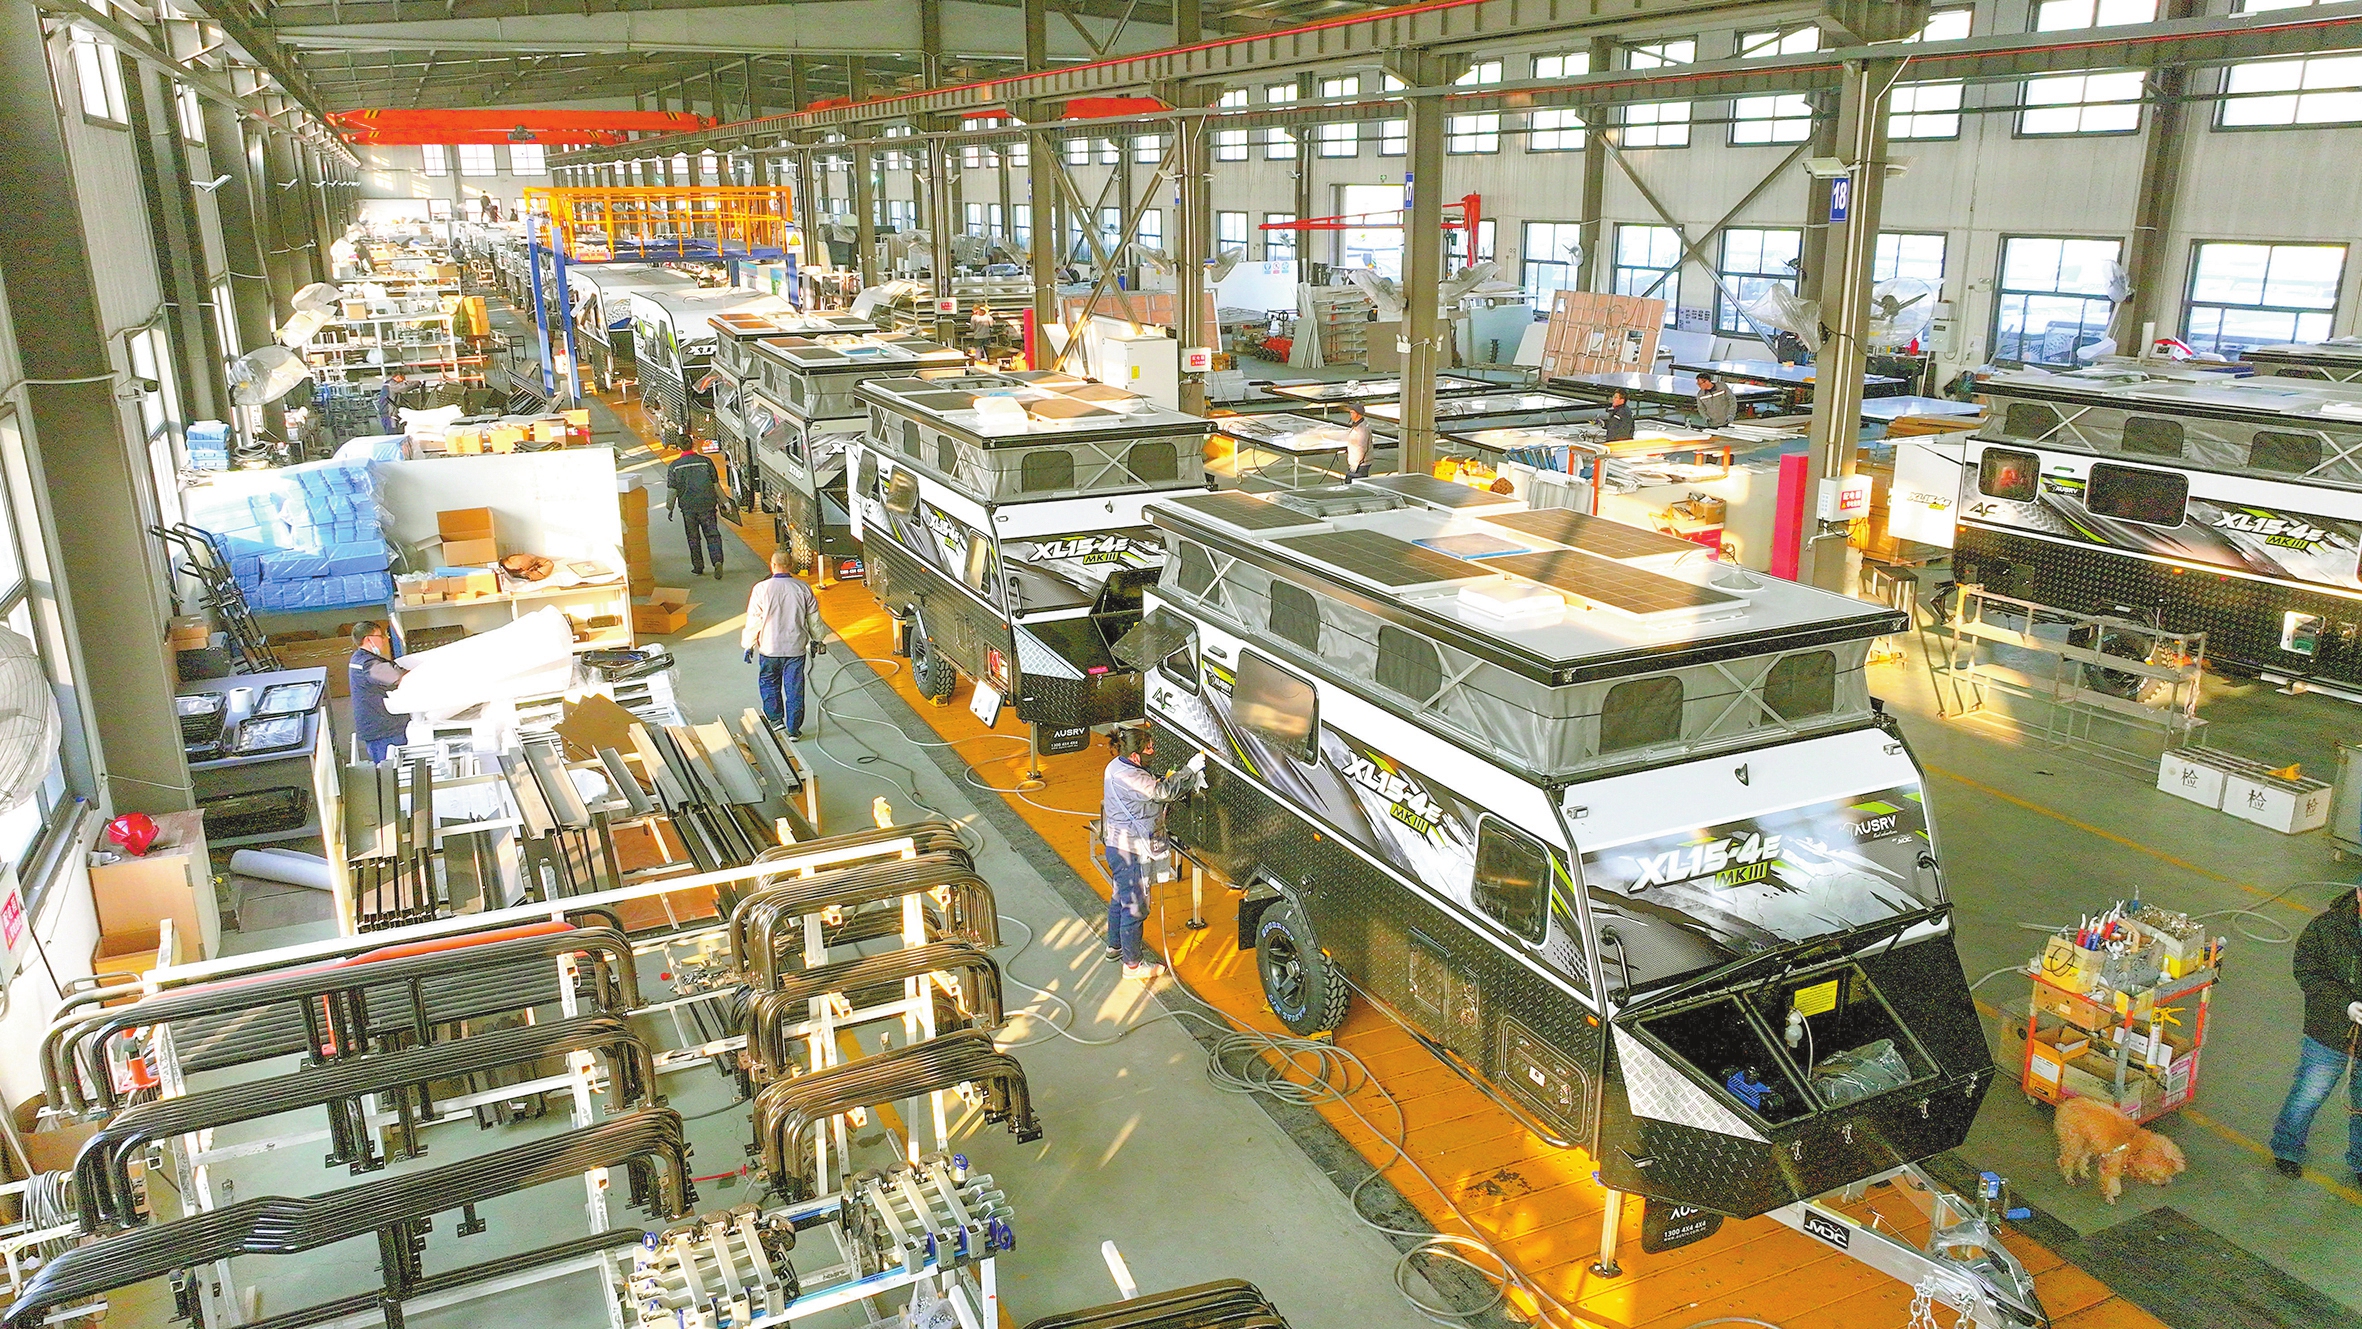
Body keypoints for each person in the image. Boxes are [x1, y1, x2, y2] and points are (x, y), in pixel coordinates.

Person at [2269, 884, 2362, 1184]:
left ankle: (2360, 1162)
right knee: (2309, 1093)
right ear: (2359, 893)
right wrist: (2345, 1005)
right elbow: (2307, 971)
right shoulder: (2326, 928)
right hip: (2329, 1030)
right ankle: (2287, 1149)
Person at [1100, 728, 1203, 980]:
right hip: (1132, 850)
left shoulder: (1116, 766)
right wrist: (1189, 771)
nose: (1153, 751)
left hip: (1116, 846)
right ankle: (1132, 966)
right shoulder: (1131, 777)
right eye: (1148, 748)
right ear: (1135, 756)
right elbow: (1163, 793)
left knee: (1120, 898)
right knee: (1136, 908)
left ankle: (1115, 946)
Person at [741, 547, 833, 737]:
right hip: (795, 648)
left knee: (769, 683)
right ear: (790, 566)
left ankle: (776, 721)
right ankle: (793, 729)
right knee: (794, 688)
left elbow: (754, 620)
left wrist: (748, 644)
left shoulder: (761, 589)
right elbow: (814, 619)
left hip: (769, 648)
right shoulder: (803, 588)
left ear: (772, 565)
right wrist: (817, 640)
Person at [347, 621, 410, 762]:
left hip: (382, 726)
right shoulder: (367, 664)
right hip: (384, 731)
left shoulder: (362, 658)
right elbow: (397, 678)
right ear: (368, 639)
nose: (386, 639)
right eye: (381, 636)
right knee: (391, 769)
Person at [666, 445, 726, 580]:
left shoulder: (674, 466)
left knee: (693, 538)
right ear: (692, 445)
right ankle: (717, 560)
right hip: (707, 505)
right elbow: (716, 485)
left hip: (688, 508)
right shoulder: (706, 462)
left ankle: (698, 566)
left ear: (679, 447)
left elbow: (672, 490)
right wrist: (726, 502)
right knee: (712, 534)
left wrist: (670, 508)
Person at [1343, 406, 1374, 479]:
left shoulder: (1362, 429)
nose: (1351, 415)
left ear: (1358, 414)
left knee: (1353, 481)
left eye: (1352, 413)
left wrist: (1355, 464)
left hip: (1361, 464)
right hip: (1357, 462)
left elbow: (1361, 448)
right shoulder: (1357, 425)